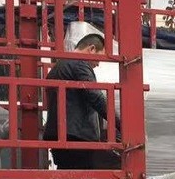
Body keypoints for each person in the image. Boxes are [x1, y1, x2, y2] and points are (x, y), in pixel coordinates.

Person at [43, 21, 120, 170]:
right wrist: (121, 124)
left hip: (59, 135)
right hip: (77, 136)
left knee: (68, 175)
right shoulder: (80, 64)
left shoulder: (58, 67)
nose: (98, 64)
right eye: (99, 58)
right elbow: (96, 98)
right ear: (92, 49)